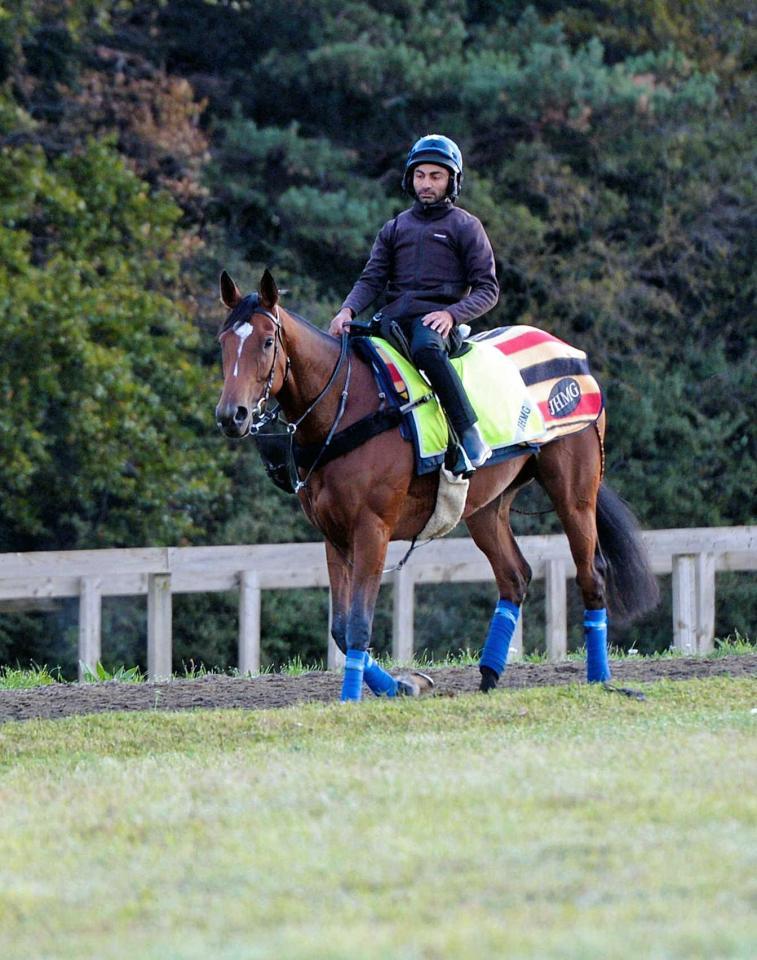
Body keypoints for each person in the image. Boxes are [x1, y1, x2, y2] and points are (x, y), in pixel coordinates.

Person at [329, 134, 499, 471]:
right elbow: (371, 279)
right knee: (348, 351)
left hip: (436, 323)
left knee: (425, 349)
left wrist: (452, 314)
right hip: (393, 319)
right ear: (410, 178)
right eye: (420, 175)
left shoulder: (466, 227)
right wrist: (347, 310)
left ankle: (468, 433)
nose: (426, 183)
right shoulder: (395, 227)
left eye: (436, 176)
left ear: (452, 180)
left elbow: (488, 289)